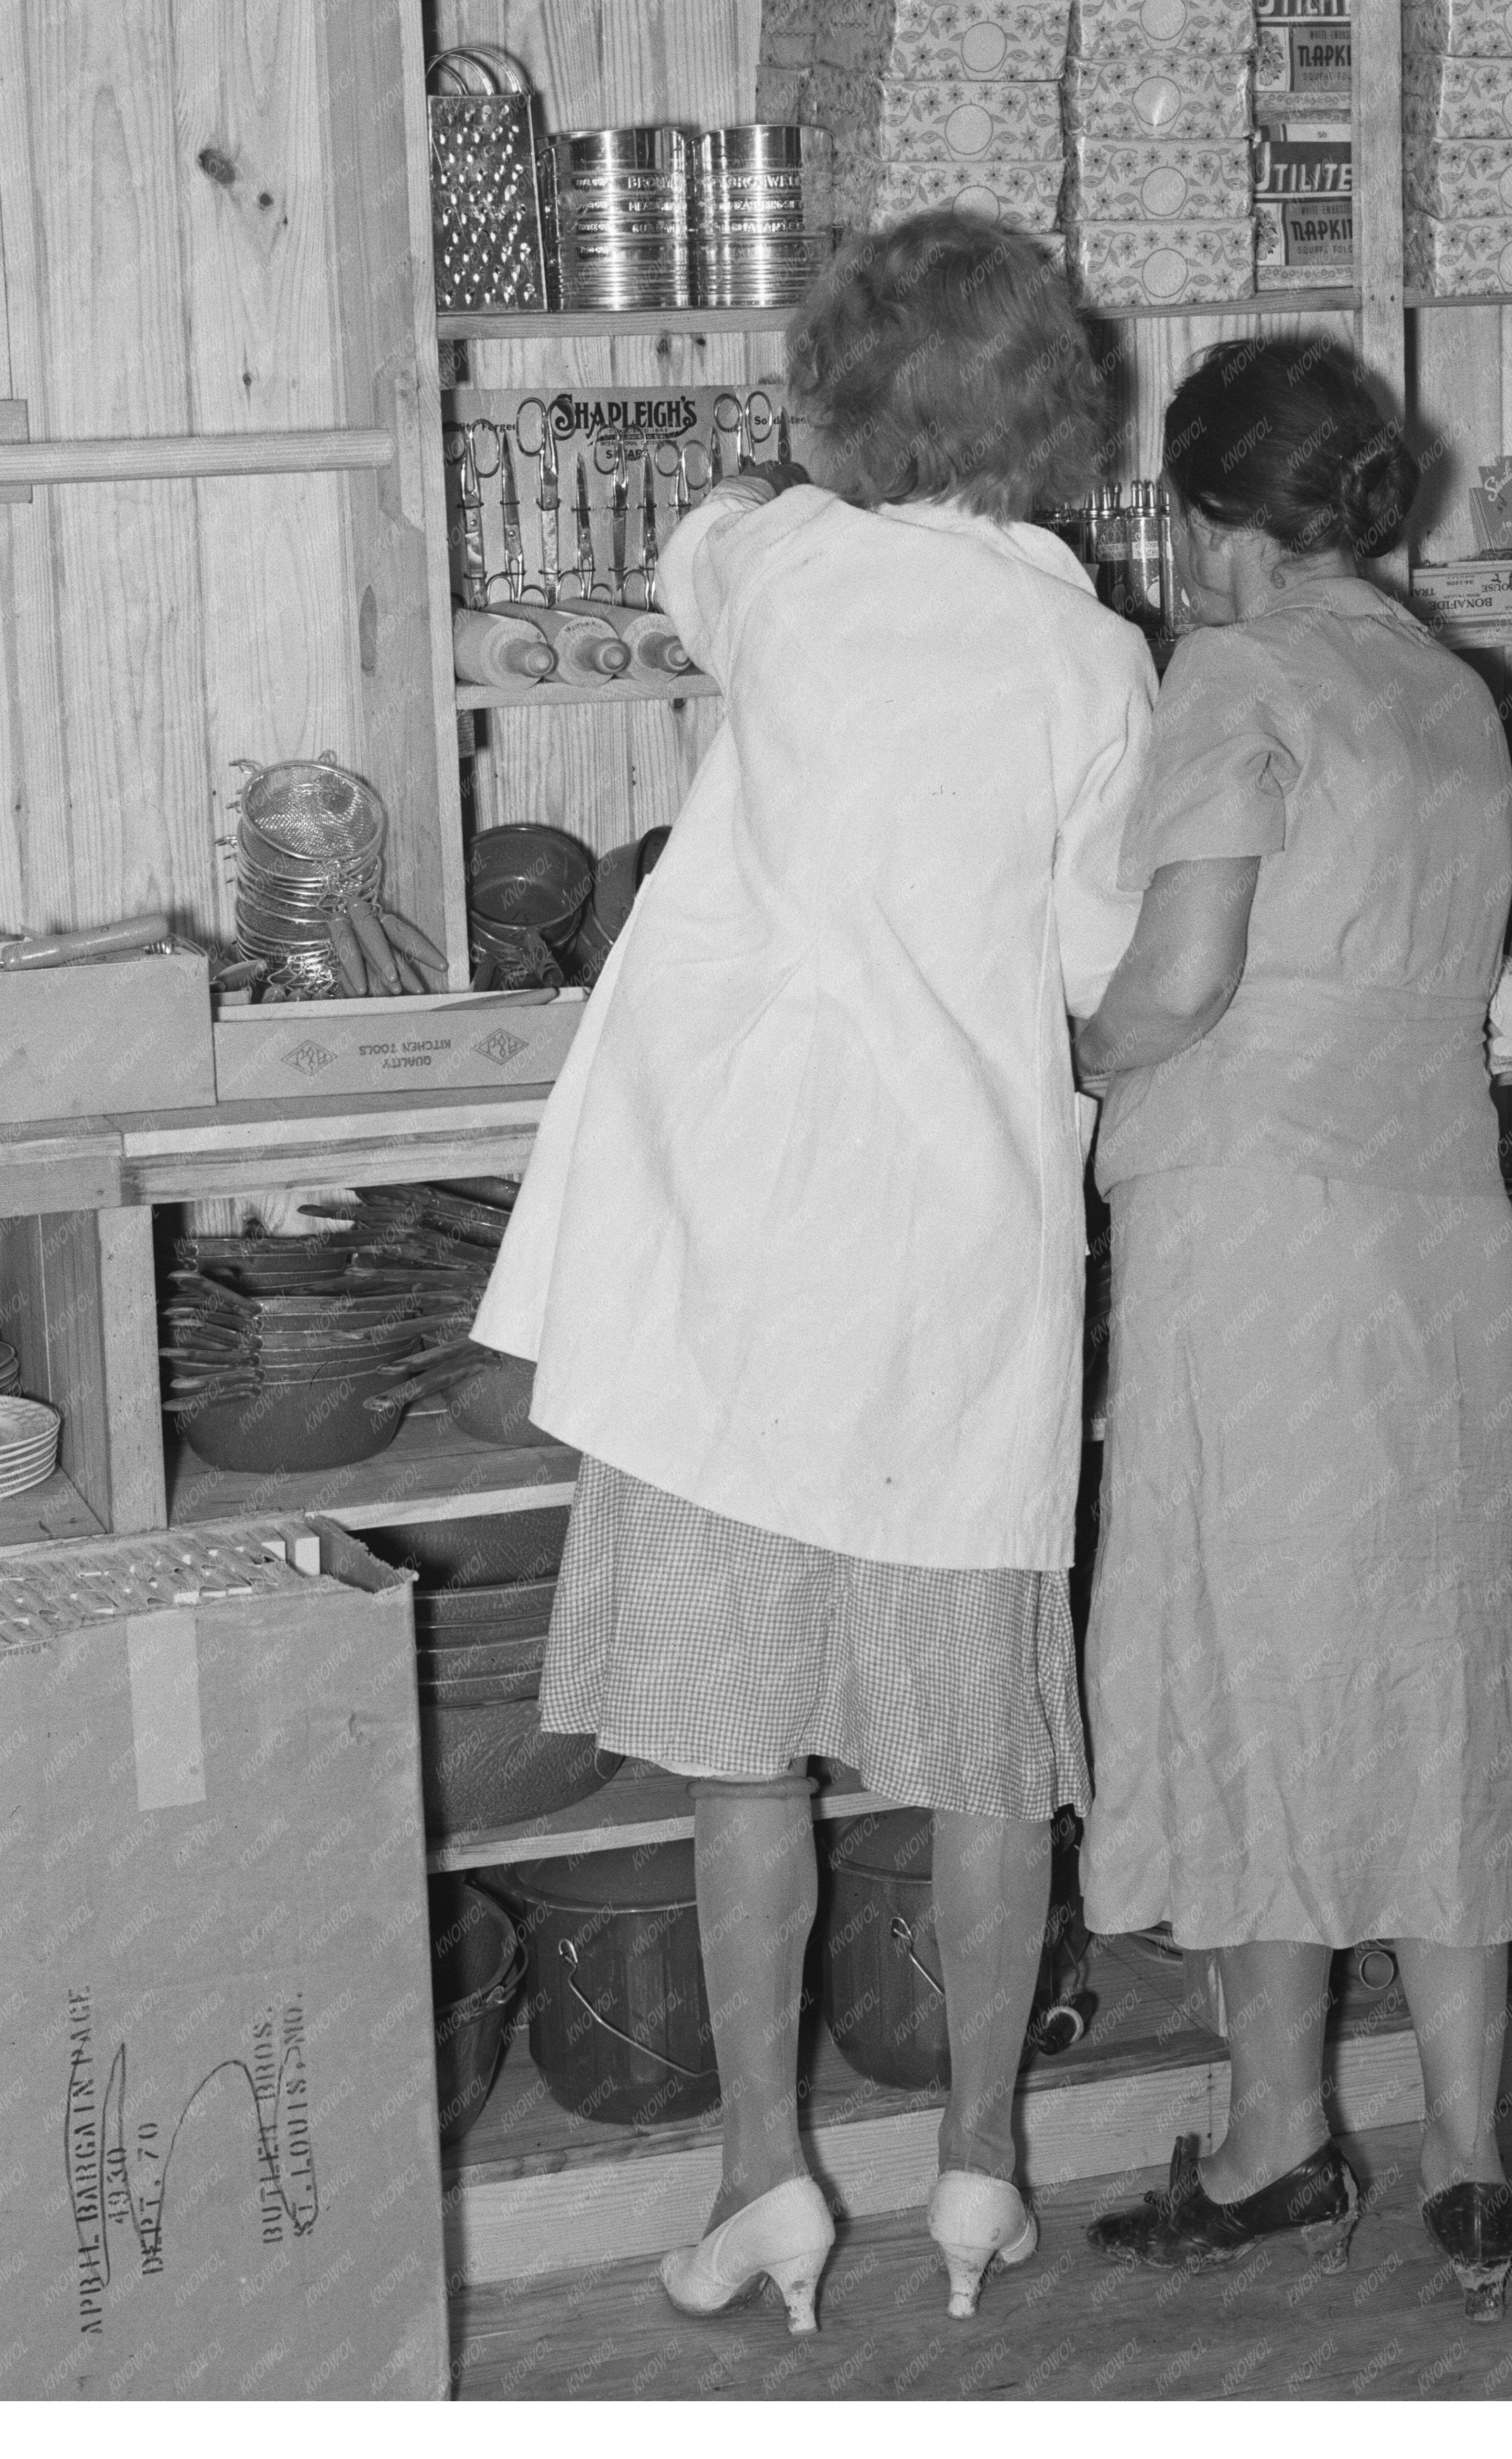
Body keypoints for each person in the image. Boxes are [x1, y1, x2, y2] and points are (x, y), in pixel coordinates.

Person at [474, 212, 1155, 2336]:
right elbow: (1094, 973)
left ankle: (763, 2173)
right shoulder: (1095, 659)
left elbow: (706, 539)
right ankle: (979, 2167)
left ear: (839, 403)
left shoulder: (777, 575)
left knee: (739, 1761)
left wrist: (782, 487)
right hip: (960, 1269)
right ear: (1059, 422)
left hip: (735, 1269)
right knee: (981, 1758)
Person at [1074, 336, 1512, 2320]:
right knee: (1436, 1665)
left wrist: (1049, 1051)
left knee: (1250, 1657)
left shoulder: (1237, 674)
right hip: (1439, 1233)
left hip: (1257, 1226)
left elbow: (1177, 981)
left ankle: (1274, 2142)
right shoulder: (1451, 689)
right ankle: (1472, 2158)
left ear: (1200, 522)